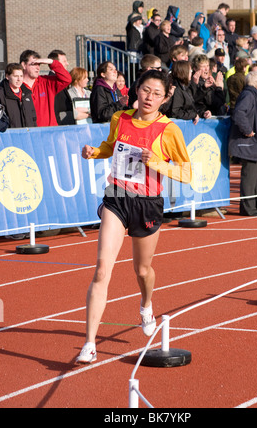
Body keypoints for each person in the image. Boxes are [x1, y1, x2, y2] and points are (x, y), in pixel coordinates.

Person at [76, 69, 192, 364]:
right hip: (117, 198)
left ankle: (146, 304)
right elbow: (110, 146)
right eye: (145, 90)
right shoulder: (120, 118)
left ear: (165, 98)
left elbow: (186, 173)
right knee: (102, 269)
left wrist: (157, 162)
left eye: (156, 93)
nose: (149, 97)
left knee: (142, 270)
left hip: (148, 203)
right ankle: (89, 343)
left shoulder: (169, 130)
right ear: (136, 90)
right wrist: (94, 152)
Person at [228, 71, 257, 216]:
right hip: (248, 142)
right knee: (249, 178)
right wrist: (247, 130)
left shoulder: (255, 96)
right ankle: (248, 208)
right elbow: (239, 113)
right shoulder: (248, 95)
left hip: (255, 143)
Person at [20, 49, 71, 126]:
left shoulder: (46, 82)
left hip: (49, 133)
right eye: (34, 64)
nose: (38, 68)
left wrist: (52, 62)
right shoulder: (16, 86)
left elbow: (67, 79)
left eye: (39, 64)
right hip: (28, 133)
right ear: (24, 65)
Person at [0, 63, 37, 127]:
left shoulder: (27, 94)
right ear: (7, 76)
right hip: (10, 135)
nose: (19, 79)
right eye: (16, 76)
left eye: (21, 76)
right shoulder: (1, 94)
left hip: (29, 134)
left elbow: (33, 117)